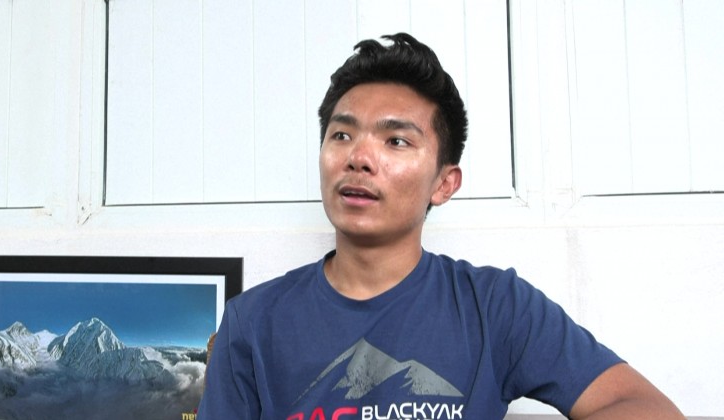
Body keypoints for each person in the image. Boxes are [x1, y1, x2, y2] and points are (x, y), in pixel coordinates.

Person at [198, 33, 682, 419]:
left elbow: (645, 407)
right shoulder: (252, 321)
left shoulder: (495, 306)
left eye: (396, 141)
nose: (359, 158)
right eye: (341, 134)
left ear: (444, 184)